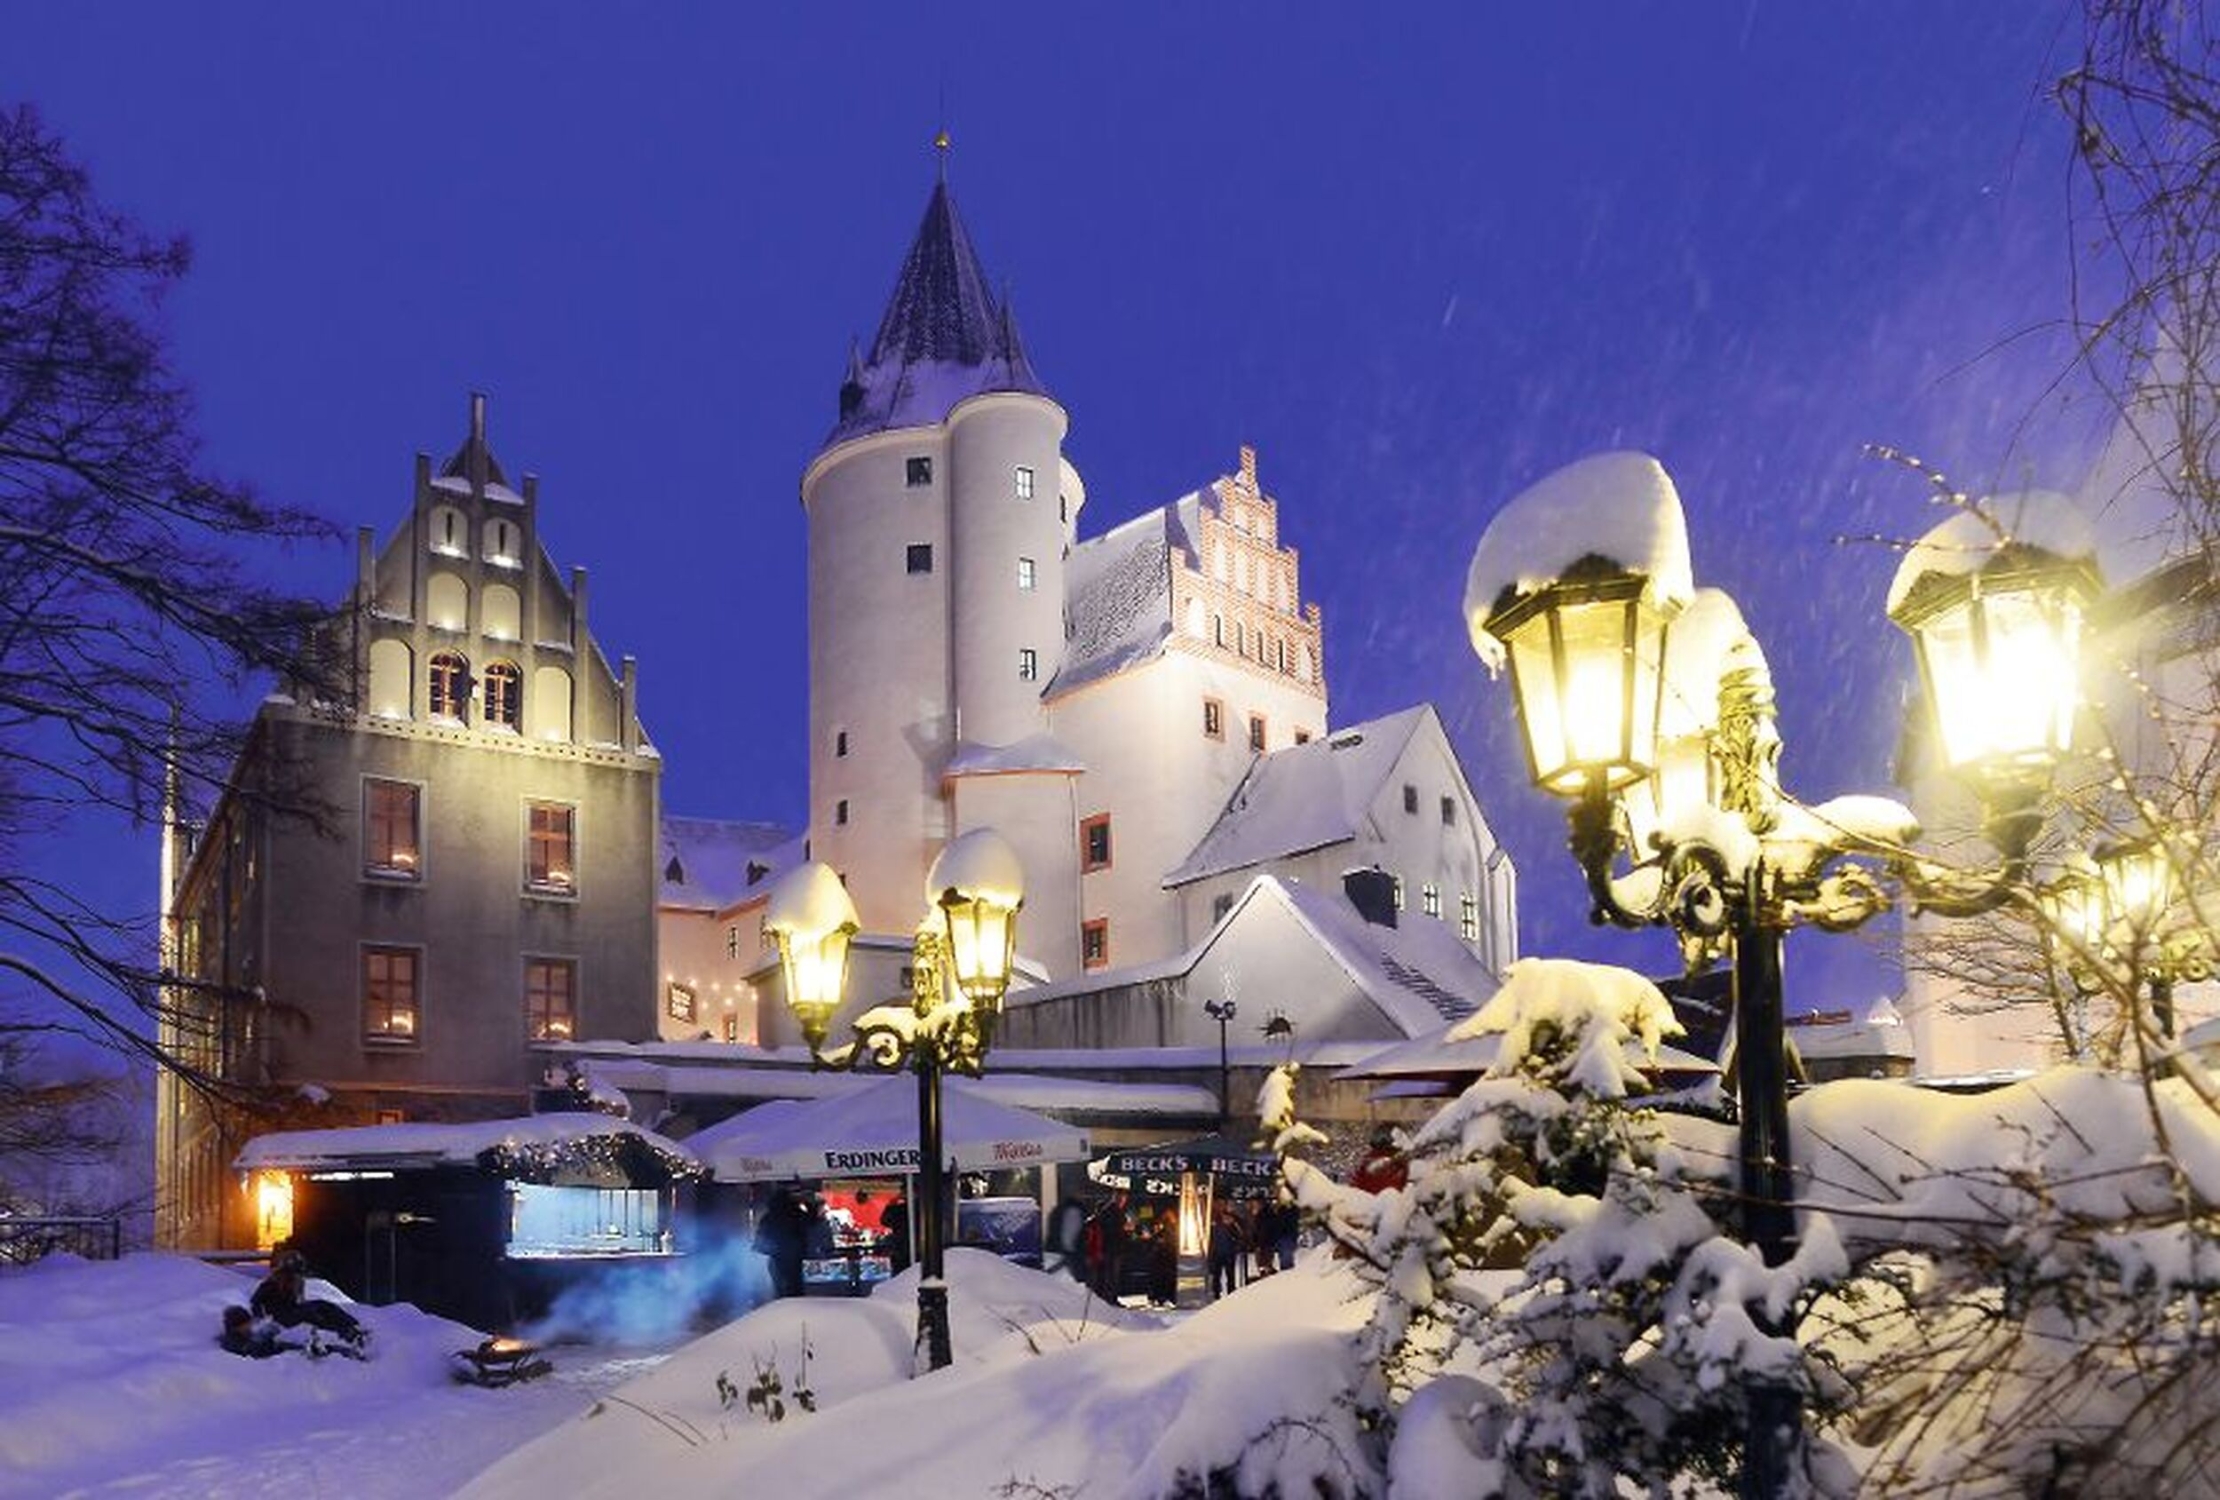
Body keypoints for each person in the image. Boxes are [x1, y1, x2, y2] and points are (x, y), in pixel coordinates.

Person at [251, 1245, 367, 1347]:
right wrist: (263, 1320)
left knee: (322, 1305)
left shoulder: (295, 1282)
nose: (297, 1276)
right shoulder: (271, 1283)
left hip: (292, 1312)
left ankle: (353, 1325)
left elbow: (299, 1301)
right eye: (295, 1272)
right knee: (310, 1312)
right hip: (279, 1318)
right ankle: (343, 1332)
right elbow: (255, 1302)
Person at [754, 1187, 811, 1298]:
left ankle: (781, 1307)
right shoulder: (795, 1213)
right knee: (795, 1286)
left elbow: (761, 1234)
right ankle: (795, 1308)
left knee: (779, 1286)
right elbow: (811, 1220)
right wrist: (805, 1202)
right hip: (794, 1255)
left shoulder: (769, 1216)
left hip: (776, 1255)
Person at [217, 1304, 296, 1359]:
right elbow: (251, 1353)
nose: (250, 1325)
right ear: (237, 1326)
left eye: (249, 1323)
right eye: (246, 1324)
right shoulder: (231, 1340)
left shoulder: (245, 1333)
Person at [1350, 1125, 1408, 1196]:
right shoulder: (1401, 1162)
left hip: (1370, 1202)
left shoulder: (1367, 1160)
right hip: (1394, 1202)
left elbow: (1355, 1185)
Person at [1207, 1200, 1245, 1300]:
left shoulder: (1232, 1218)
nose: (1220, 1206)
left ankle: (1230, 1296)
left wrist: (1232, 1224)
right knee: (1216, 1276)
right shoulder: (1211, 1217)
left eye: (1222, 1204)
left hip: (1228, 1251)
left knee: (1230, 1276)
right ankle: (1216, 1296)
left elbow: (1241, 1233)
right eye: (1218, 1204)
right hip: (1216, 1252)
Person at [879, 1190, 912, 1275]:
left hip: (902, 1247)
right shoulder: (900, 1209)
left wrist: (891, 1204)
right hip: (902, 1247)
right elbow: (885, 1220)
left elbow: (885, 1220)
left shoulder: (900, 1209)